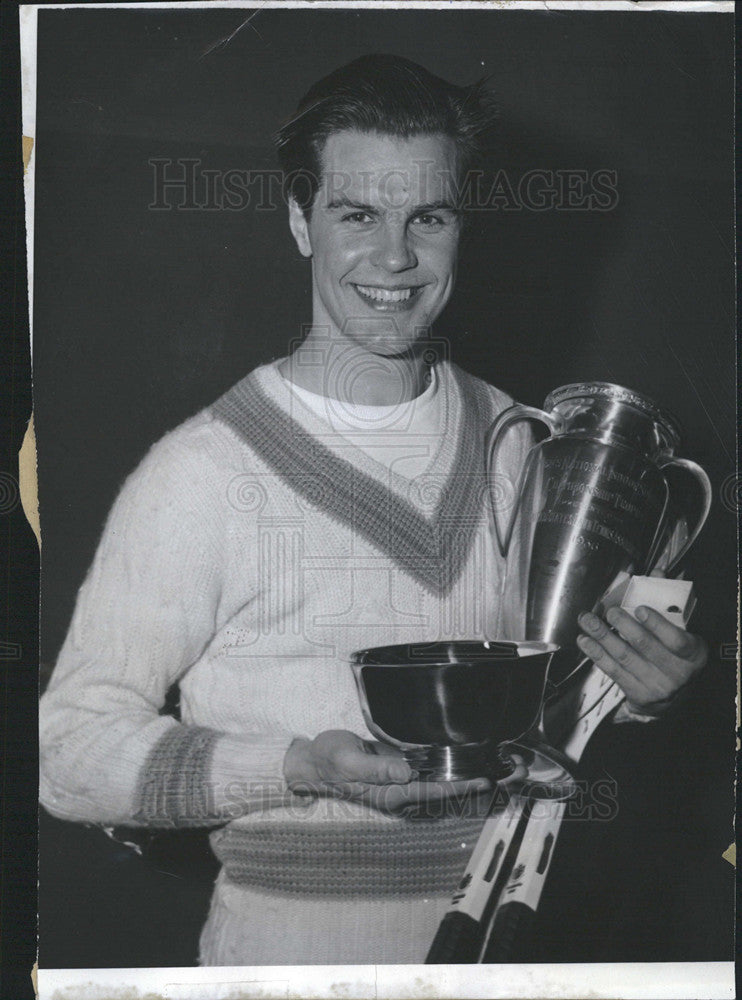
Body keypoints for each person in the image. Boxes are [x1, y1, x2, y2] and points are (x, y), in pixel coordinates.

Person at [39, 54, 708, 966]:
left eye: (426, 216)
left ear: (460, 224)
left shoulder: (523, 444)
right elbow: (66, 754)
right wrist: (297, 767)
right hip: (286, 961)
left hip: (514, 949)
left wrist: (641, 696)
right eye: (358, 215)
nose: (395, 258)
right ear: (299, 221)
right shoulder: (200, 471)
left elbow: (548, 709)